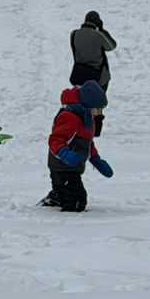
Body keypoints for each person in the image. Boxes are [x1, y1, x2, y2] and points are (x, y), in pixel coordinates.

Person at [43, 81, 111, 212]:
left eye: (100, 110)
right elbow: (55, 140)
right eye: (96, 109)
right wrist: (65, 154)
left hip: (73, 167)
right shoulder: (69, 117)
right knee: (77, 201)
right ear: (86, 106)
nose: (98, 113)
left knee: (70, 193)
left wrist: (97, 160)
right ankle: (62, 214)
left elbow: (87, 143)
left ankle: (57, 196)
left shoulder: (87, 120)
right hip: (61, 167)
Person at [69, 11, 116, 133]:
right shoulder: (98, 35)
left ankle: (81, 126)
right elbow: (112, 46)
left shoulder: (74, 34)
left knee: (81, 101)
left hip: (80, 74)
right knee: (97, 102)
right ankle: (96, 129)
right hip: (99, 75)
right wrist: (102, 29)